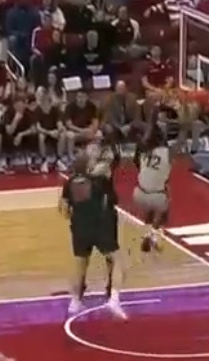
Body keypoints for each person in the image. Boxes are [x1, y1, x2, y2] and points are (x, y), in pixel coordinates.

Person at [61, 149, 126, 318]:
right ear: (88, 165)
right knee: (118, 261)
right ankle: (114, 300)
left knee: (80, 266)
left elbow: (64, 210)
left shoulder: (69, 183)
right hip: (100, 227)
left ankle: (75, 302)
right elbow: (114, 197)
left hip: (79, 228)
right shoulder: (99, 181)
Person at [133, 125, 172, 252]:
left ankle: (147, 232)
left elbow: (137, 163)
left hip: (139, 192)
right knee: (163, 203)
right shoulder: (166, 152)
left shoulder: (142, 149)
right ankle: (153, 235)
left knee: (150, 204)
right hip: (156, 193)